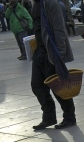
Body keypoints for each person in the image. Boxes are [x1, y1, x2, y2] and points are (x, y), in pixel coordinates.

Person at [30, 0, 76, 130]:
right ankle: (49, 117)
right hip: (39, 51)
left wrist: (60, 55)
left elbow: (59, 29)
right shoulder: (35, 3)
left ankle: (69, 117)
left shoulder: (51, 3)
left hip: (51, 52)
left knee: (59, 86)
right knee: (37, 85)